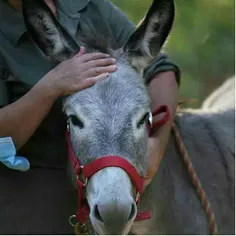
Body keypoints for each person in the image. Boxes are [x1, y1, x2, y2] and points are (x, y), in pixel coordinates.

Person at [0, 0, 180, 234]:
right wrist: (50, 87)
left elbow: (161, 68)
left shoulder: (86, 5)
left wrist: (156, 144)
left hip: (111, 165)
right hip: (32, 179)